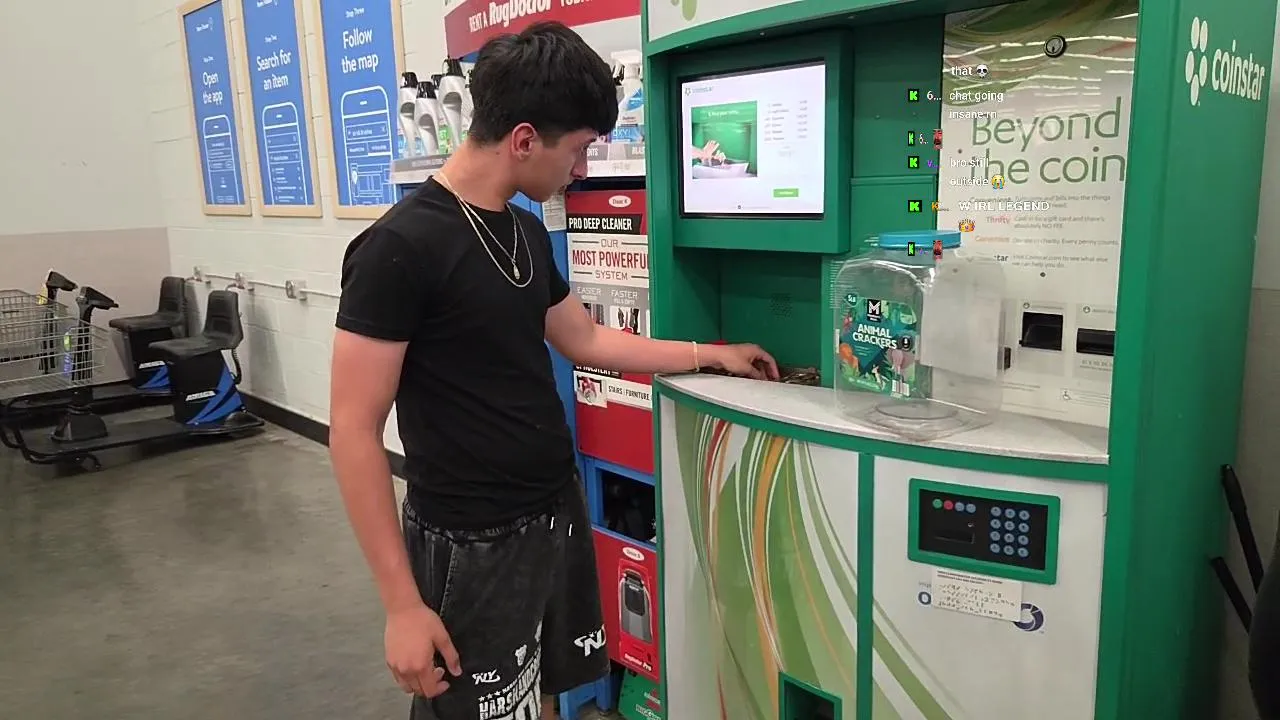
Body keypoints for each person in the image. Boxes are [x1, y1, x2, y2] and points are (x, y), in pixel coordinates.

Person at [328, 21, 778, 720]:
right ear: (524, 140)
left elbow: (587, 340)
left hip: (553, 512)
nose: (582, 169)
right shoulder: (398, 249)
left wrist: (707, 355)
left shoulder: (525, 231)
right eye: (578, 150)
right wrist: (401, 606)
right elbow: (353, 431)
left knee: (541, 697)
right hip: (470, 540)